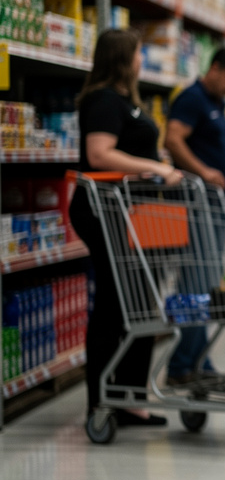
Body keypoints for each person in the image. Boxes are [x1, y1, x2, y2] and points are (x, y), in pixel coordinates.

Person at [69, 28, 183, 428]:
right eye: (137, 53)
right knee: (115, 305)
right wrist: (155, 167)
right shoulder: (102, 99)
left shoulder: (127, 102)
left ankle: (131, 398)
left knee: (140, 301)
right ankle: (101, 402)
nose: (141, 61)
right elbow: (98, 154)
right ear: (122, 58)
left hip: (137, 213)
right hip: (105, 211)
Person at [163, 47, 225, 384]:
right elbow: (173, 140)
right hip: (194, 204)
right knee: (198, 282)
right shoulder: (191, 98)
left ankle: (196, 359)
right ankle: (185, 363)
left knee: (207, 281)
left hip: (215, 203)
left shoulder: (218, 103)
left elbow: (219, 150)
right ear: (214, 68)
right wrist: (203, 172)